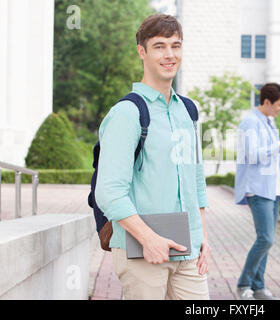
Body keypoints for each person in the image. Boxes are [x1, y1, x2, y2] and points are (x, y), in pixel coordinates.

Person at [95, 14, 210, 300]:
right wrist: (149, 239)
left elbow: (196, 181)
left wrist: (202, 237)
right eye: (159, 46)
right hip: (142, 251)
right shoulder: (127, 113)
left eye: (176, 45)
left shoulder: (188, 111)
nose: (169, 54)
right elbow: (109, 193)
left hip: (188, 250)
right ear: (142, 52)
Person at [234, 83, 280, 300]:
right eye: (279, 104)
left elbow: (271, 161)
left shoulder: (270, 123)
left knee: (267, 239)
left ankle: (258, 286)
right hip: (257, 189)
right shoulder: (249, 123)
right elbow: (252, 156)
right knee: (266, 239)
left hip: (273, 190)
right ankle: (244, 283)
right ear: (266, 102)